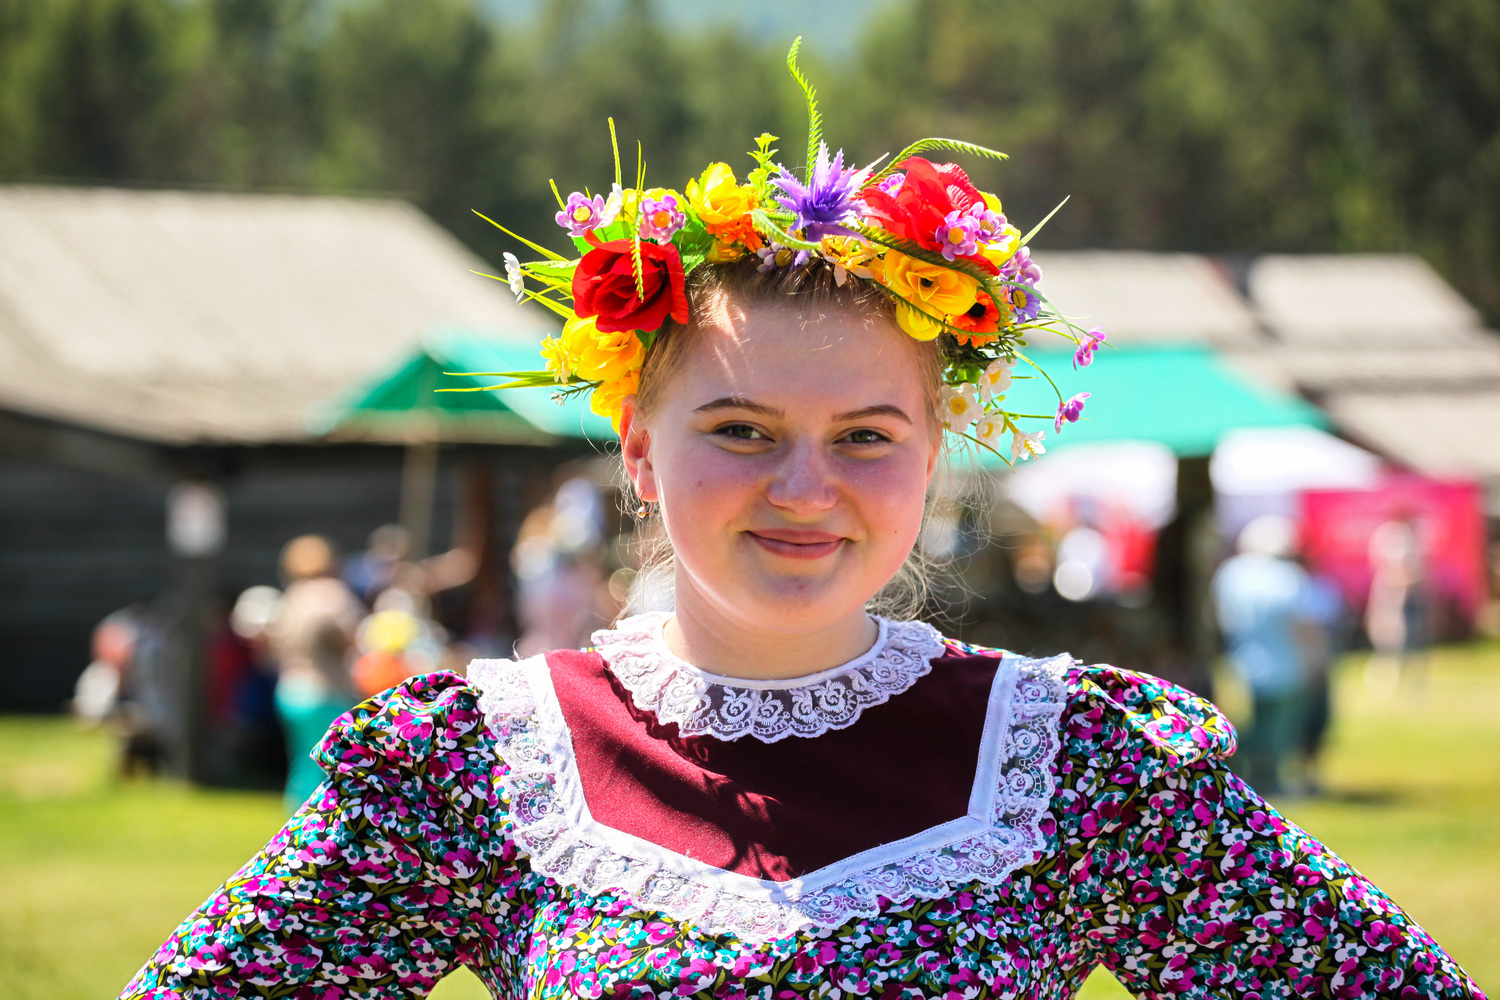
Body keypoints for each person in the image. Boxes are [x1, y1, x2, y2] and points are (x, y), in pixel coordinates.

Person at [120, 46, 1482, 999]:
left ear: (931, 457)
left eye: (865, 438)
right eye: (741, 430)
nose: (803, 487)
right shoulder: (478, 767)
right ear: (641, 452)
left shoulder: (1076, 766)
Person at [1210, 514, 1312, 796]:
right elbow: (1302, 626)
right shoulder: (1289, 577)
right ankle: (1268, 783)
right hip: (1285, 665)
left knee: (1243, 730)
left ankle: (1240, 783)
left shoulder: (1230, 573)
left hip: (1238, 664)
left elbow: (1221, 619)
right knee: (1275, 734)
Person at [266, 534, 363, 812]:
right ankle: (318, 828)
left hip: (289, 690)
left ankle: (294, 826)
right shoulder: (332, 594)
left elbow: (272, 648)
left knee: (301, 764)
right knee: (331, 767)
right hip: (325, 690)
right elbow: (352, 638)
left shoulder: (291, 597)